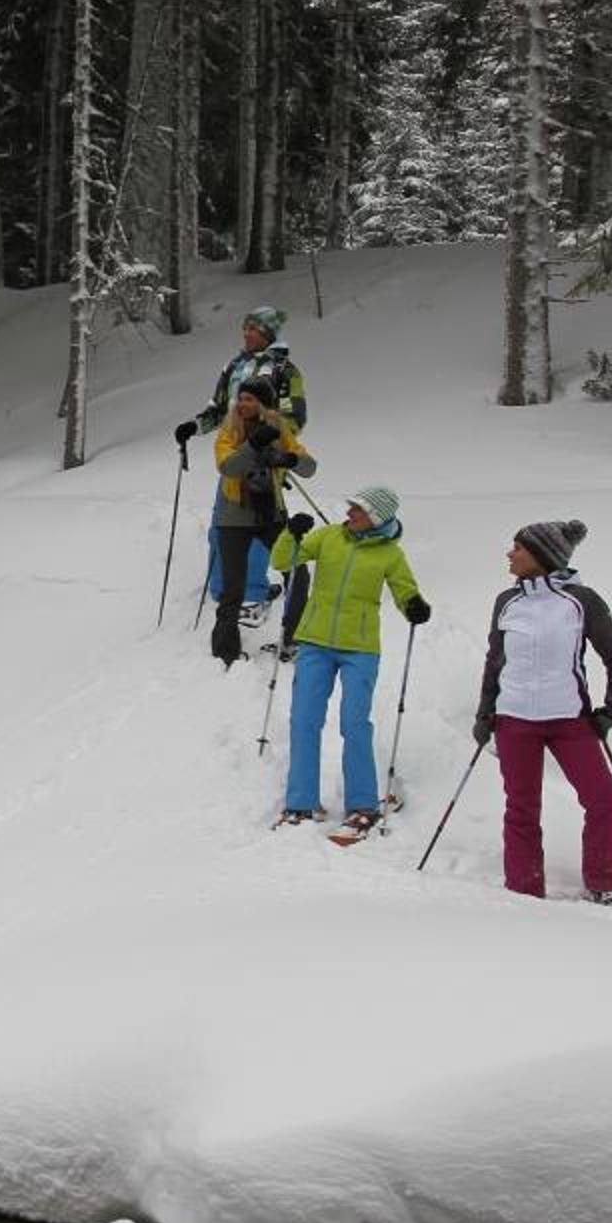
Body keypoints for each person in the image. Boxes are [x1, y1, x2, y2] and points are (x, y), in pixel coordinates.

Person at [473, 518, 612, 903]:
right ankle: (524, 891)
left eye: (518, 548)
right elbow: (495, 661)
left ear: (541, 556)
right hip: (514, 721)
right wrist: (485, 713)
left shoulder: (582, 601)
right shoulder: (507, 602)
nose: (510, 554)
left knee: (602, 800)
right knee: (521, 808)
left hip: (569, 721)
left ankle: (602, 882)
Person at [268, 484, 429, 833]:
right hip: (315, 642)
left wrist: (414, 605)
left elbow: (405, 590)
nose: (349, 512)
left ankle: (362, 804)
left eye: (359, 509)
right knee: (304, 720)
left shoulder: (390, 554)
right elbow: (281, 561)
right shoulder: (328, 537)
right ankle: (301, 802)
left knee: (354, 723)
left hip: (360, 649)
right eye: (352, 506)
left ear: (376, 518)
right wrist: (291, 534)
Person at [175, 308, 309, 619]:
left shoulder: (284, 370)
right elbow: (218, 407)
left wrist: (274, 444)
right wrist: (195, 426)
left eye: (254, 329)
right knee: (223, 524)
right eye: (245, 327)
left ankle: (252, 592)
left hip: (264, 461)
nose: (247, 333)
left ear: (268, 334)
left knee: (256, 525)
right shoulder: (234, 365)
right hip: (233, 457)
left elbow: (295, 416)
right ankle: (223, 588)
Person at [207, 378, 314, 668]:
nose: (242, 404)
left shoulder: (279, 428)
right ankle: (225, 648)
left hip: (271, 514)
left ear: (264, 405)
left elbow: (310, 467)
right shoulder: (229, 430)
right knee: (233, 585)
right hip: (233, 516)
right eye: (240, 398)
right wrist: (253, 445)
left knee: (298, 572)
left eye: (250, 399)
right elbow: (228, 467)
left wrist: (288, 459)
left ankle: (293, 638)